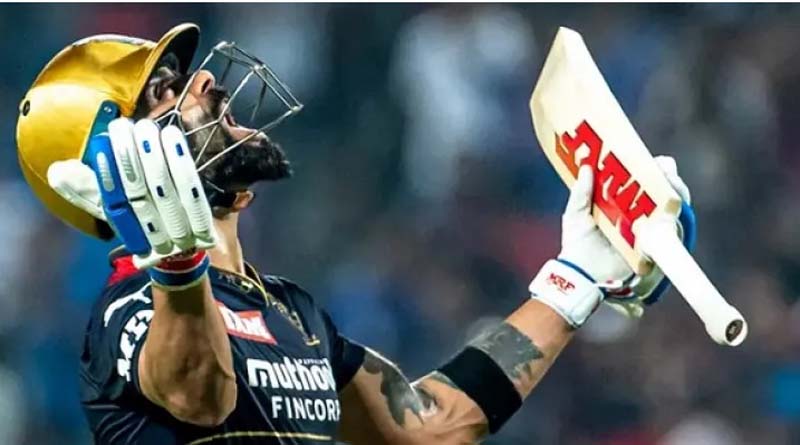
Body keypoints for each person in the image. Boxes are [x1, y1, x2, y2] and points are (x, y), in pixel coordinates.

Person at [16, 23, 694, 445]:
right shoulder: (126, 312)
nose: (206, 84)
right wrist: (175, 261)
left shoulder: (293, 312)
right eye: (164, 91)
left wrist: (576, 278)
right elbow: (203, 393)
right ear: (108, 155)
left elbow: (430, 426)